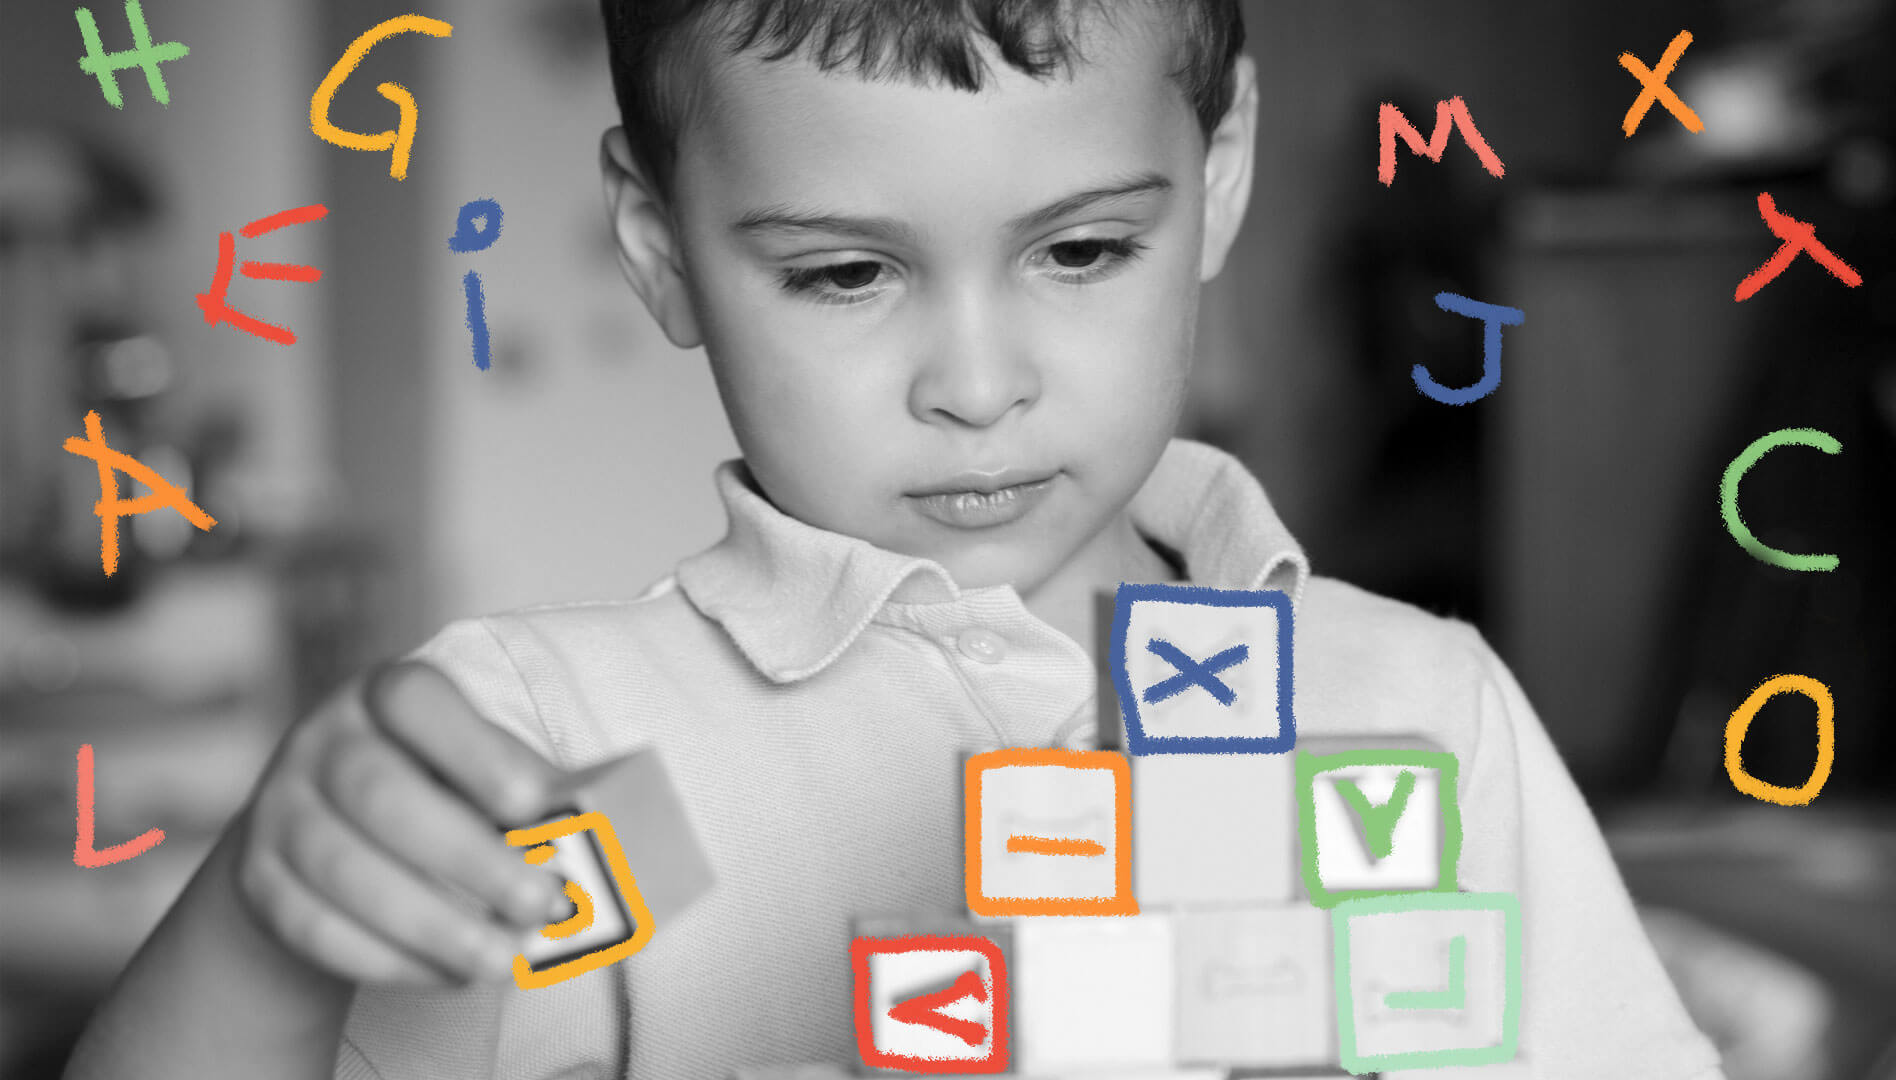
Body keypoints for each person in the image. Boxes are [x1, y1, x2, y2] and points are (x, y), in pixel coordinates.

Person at [64, 1, 1725, 1077]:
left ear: (1214, 179)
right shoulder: (556, 751)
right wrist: (263, 934)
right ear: (661, 248)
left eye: (1080, 253)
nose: (979, 387)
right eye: (846, 274)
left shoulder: (1420, 711)